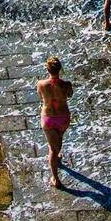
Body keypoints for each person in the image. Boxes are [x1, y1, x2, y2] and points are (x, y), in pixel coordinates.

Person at [37, 57, 74, 189]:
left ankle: (55, 178)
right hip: (63, 116)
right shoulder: (66, 84)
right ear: (60, 69)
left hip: (48, 117)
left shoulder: (41, 84)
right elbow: (70, 95)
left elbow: (40, 97)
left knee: (51, 148)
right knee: (60, 136)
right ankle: (57, 155)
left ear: (47, 69)